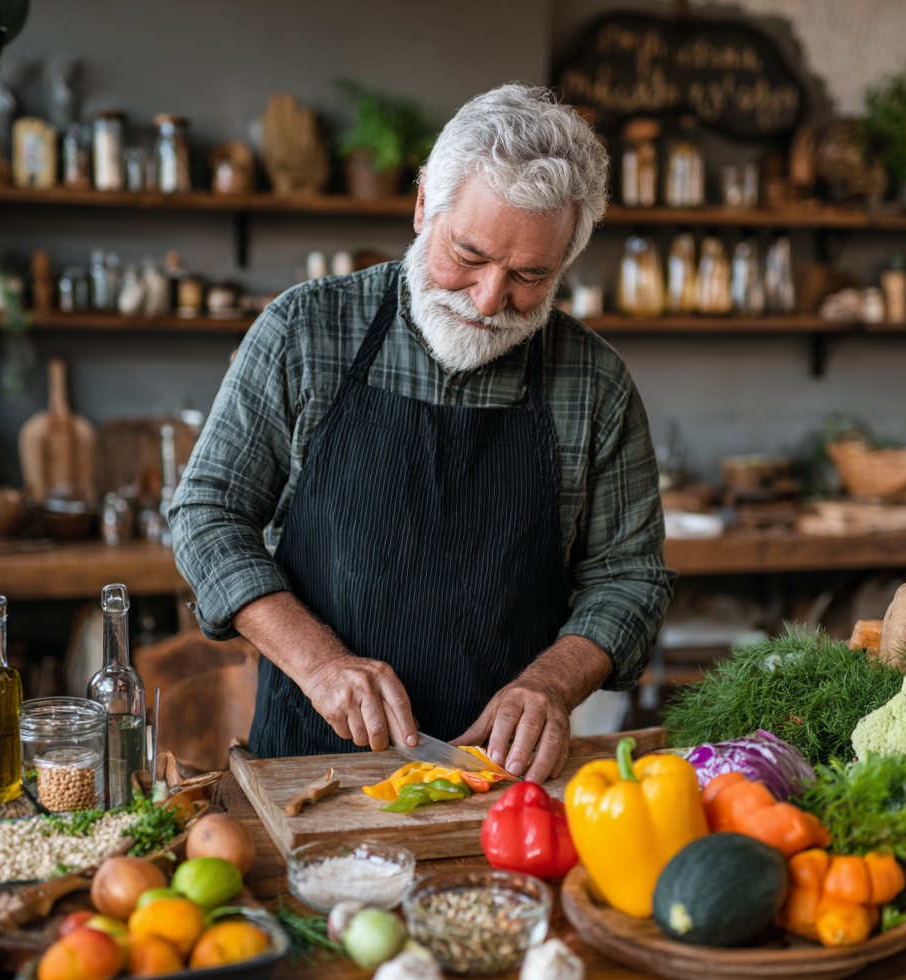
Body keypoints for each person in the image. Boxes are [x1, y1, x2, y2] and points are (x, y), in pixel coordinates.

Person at [169, 83, 674, 783]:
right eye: (468, 255)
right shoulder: (306, 331)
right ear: (421, 205)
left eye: (531, 274)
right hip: (311, 770)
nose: (491, 299)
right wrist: (319, 662)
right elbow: (206, 514)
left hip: (502, 780)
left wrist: (552, 684)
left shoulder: (595, 382)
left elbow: (629, 577)